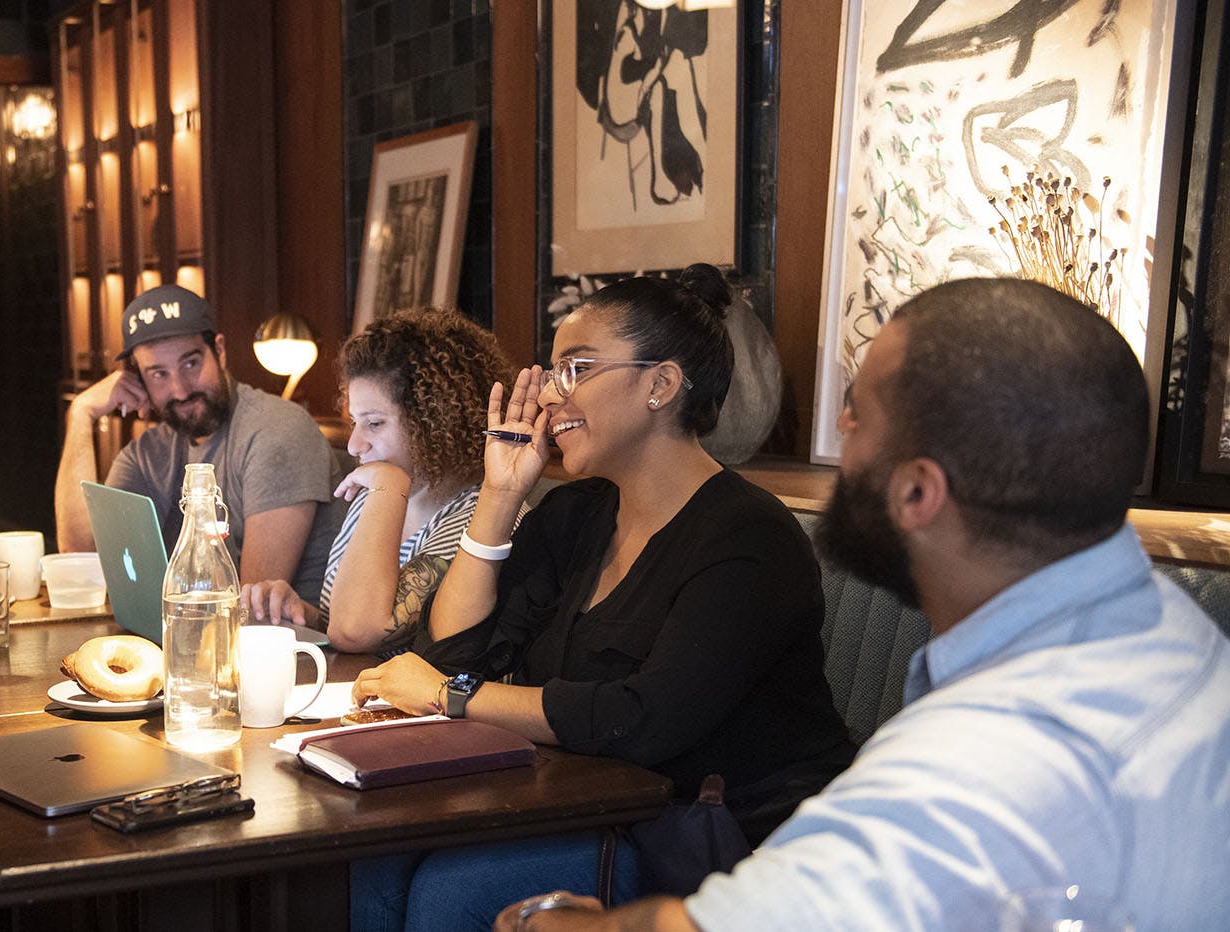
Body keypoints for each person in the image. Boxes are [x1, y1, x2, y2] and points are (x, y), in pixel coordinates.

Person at [491, 278, 1230, 931]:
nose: (839, 436)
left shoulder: (971, 767)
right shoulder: (1184, 641)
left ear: (917, 493)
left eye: (856, 415)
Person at [351, 265, 854, 931]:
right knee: (366, 866)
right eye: (554, 372)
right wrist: (499, 499)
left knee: (455, 893)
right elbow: (453, 650)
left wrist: (452, 698)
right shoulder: (577, 514)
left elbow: (645, 718)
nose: (554, 398)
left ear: (660, 385)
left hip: (717, 837)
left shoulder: (749, 536)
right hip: (583, 806)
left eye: (578, 368)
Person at [242, 307, 517, 655]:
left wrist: (387, 488)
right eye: (355, 422)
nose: (356, 445)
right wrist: (297, 613)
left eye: (374, 424)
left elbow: (358, 631)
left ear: (435, 422)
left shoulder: (483, 513)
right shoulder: (379, 489)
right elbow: (339, 624)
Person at [54, 283, 344, 602]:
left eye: (190, 363)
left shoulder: (276, 430)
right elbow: (79, 556)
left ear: (219, 351)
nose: (179, 390)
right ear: (137, 378)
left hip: (291, 646)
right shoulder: (149, 452)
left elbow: (251, 607)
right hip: (195, 634)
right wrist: (81, 414)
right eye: (158, 374)